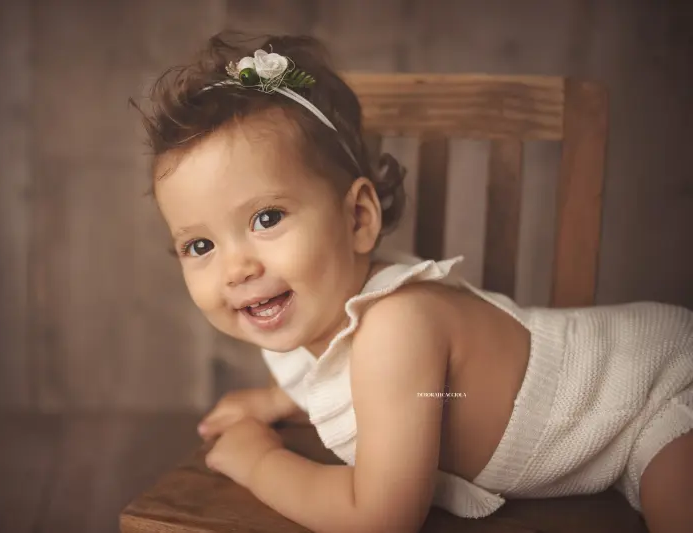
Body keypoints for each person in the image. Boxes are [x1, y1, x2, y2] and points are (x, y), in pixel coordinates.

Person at [135, 31, 693, 533]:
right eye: (200, 246)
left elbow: (380, 517)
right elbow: (368, 391)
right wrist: (278, 400)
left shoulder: (397, 327)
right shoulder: (313, 313)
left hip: (659, 390)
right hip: (620, 433)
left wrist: (259, 460)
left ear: (358, 218)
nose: (236, 268)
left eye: (267, 218)